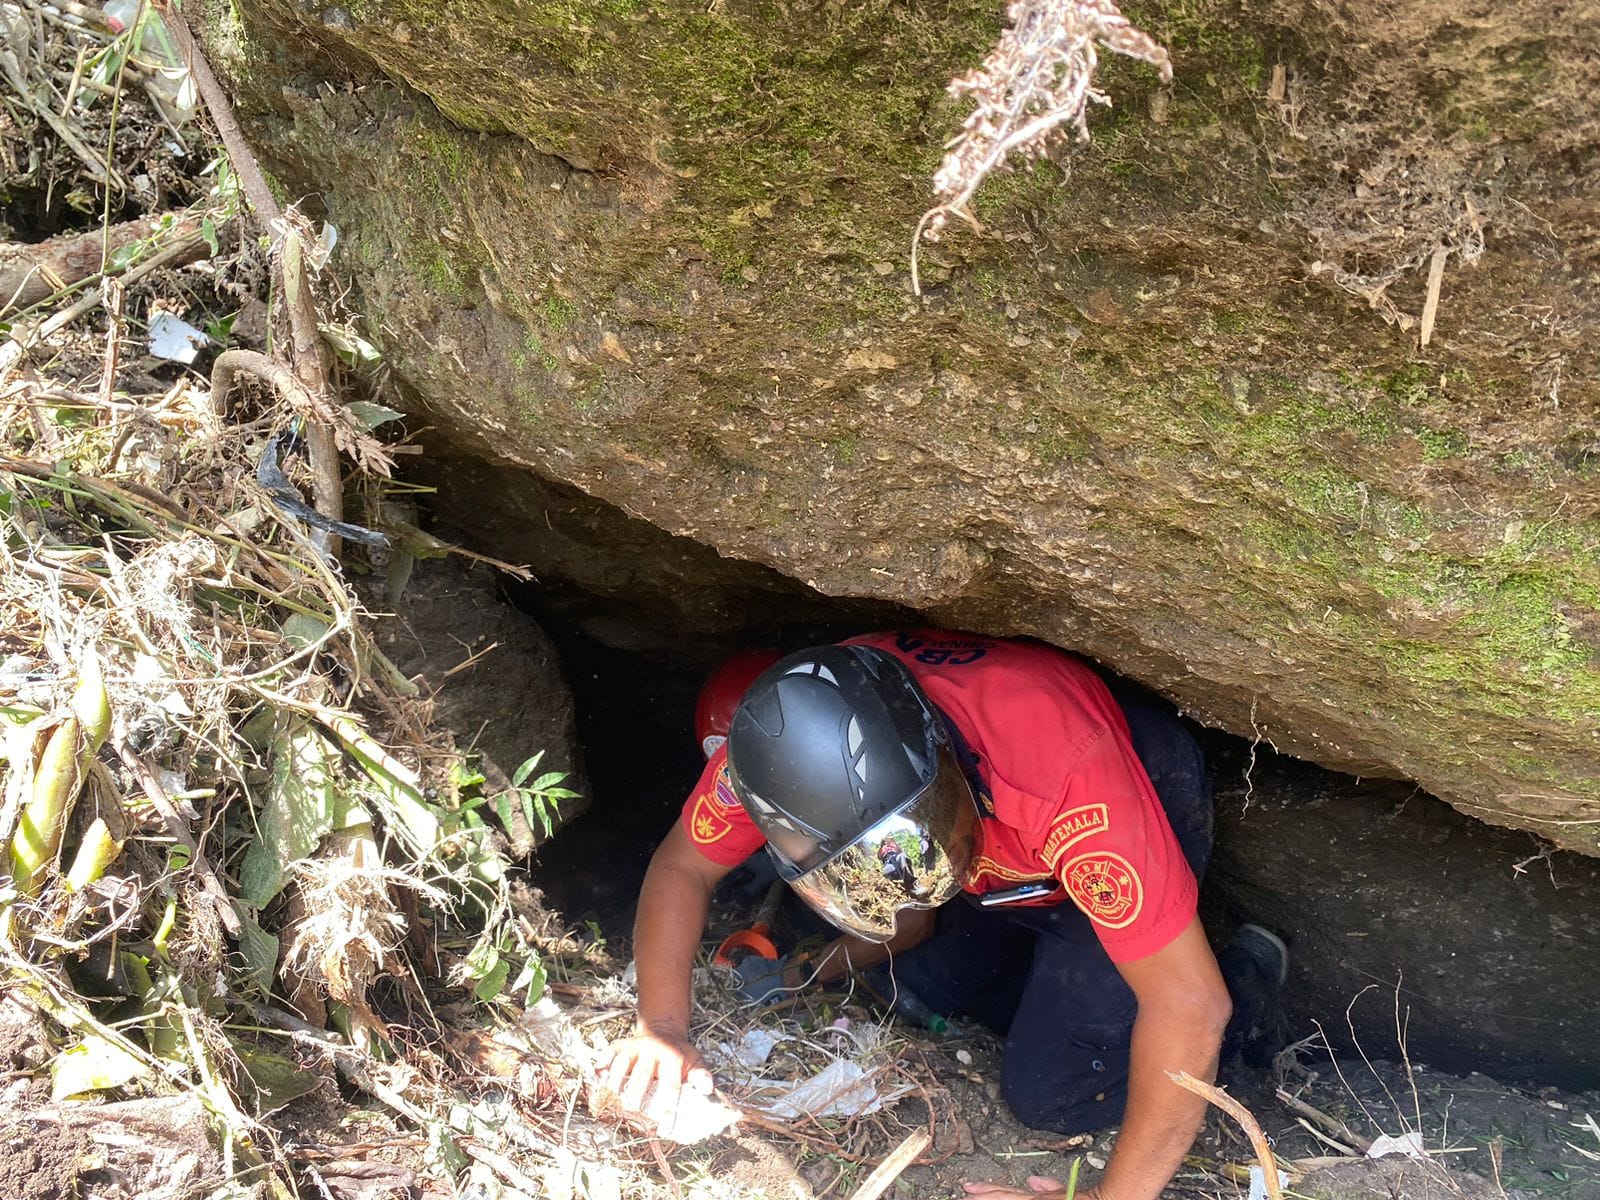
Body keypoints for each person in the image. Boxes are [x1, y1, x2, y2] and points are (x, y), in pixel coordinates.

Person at [604, 631, 1285, 1200]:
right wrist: (662, 1028)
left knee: (1051, 1094)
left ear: (937, 753)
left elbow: (1188, 1006)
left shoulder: (1072, 782)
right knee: (921, 990)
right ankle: (1064, 984)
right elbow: (683, 866)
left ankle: (1240, 978)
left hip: (1111, 801)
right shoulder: (772, 763)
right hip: (986, 856)